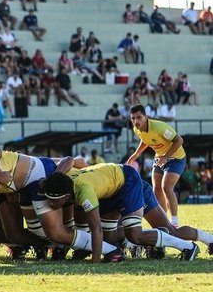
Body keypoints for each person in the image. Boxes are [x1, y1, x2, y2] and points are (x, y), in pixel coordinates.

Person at [40, 164, 199, 263]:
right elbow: (68, 160)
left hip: (126, 182)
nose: (49, 204)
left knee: (134, 235)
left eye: (53, 200)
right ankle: (156, 236)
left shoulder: (84, 191)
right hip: (110, 187)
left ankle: (187, 247)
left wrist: (95, 262)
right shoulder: (64, 184)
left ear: (67, 196)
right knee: (109, 240)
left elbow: (96, 229)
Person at [125, 104, 186, 227]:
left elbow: (179, 140)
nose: (136, 121)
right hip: (160, 157)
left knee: (166, 187)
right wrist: (136, 154)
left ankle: (174, 222)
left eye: (139, 117)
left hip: (176, 157)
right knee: (156, 188)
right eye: (133, 118)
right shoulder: (136, 129)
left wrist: (165, 157)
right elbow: (145, 139)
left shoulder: (159, 127)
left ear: (145, 117)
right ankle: (164, 219)